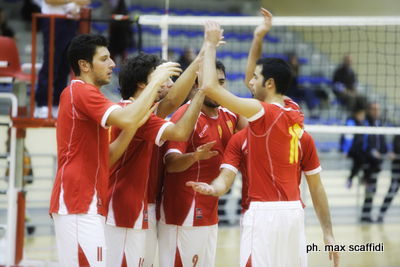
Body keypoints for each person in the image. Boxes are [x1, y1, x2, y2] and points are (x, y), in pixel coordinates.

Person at [195, 9, 338, 266]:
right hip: (295, 212)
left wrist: (210, 45)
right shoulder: (292, 111)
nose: (250, 82)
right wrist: (328, 233)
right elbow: (316, 187)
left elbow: (209, 87)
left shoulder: (263, 112)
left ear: (269, 84)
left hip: (263, 214)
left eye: (256, 79)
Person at [49, 33, 181, 266]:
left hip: (89, 201)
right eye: (104, 59)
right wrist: (154, 82)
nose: (112, 64)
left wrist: (135, 124)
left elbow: (108, 156)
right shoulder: (81, 91)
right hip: (78, 200)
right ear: (84, 65)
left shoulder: (89, 96)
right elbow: (128, 116)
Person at [104, 52, 207, 267]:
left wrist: (199, 60)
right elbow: (180, 132)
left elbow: (171, 102)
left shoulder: (143, 111)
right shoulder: (130, 112)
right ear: (143, 84)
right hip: (124, 208)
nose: (166, 82)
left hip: (142, 207)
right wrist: (201, 92)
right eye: (160, 76)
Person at [189, 126, 338, 267]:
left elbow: (316, 187)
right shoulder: (240, 139)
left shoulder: (301, 138)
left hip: (293, 218)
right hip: (256, 218)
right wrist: (213, 188)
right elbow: (225, 179)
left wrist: (328, 233)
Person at [158, 60, 247, 267]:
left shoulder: (230, 114)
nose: (217, 89)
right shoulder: (185, 114)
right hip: (184, 212)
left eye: (221, 83)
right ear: (196, 87)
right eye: (210, 83)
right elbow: (170, 163)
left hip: (210, 209)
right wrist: (194, 157)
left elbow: (255, 134)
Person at [34, 0, 90, 119]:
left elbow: (85, 1)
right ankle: (42, 103)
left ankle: (56, 103)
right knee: (51, 61)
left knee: (65, 65)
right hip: (53, 19)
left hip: (70, 21)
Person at [361, 102, 388, 223]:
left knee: (372, 189)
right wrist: (372, 151)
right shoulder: (365, 123)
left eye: (377, 109)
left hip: (377, 163)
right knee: (369, 189)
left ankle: (367, 214)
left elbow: (382, 142)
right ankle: (365, 215)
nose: (375, 111)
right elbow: (363, 142)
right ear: (368, 110)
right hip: (368, 162)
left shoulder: (379, 124)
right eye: (373, 109)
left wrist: (388, 151)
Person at [340, 100, 367, 188]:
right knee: (361, 159)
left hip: (360, 149)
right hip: (351, 149)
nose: (363, 116)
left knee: (370, 158)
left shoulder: (363, 123)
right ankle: (351, 179)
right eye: (361, 114)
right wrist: (345, 151)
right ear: (356, 114)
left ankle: (363, 179)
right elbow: (348, 138)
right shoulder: (350, 122)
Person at [286, 53, 320, 118]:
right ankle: (312, 109)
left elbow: (295, 84)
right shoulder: (288, 71)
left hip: (294, 89)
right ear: (290, 61)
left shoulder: (296, 70)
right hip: (288, 91)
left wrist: (299, 86)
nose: (296, 62)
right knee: (307, 91)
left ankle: (313, 109)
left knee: (308, 90)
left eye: (296, 60)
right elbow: (289, 84)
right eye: (294, 60)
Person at [377, 134, 400, 223]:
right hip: (397, 170)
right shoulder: (397, 135)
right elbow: (397, 149)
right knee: (392, 192)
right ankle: (381, 214)